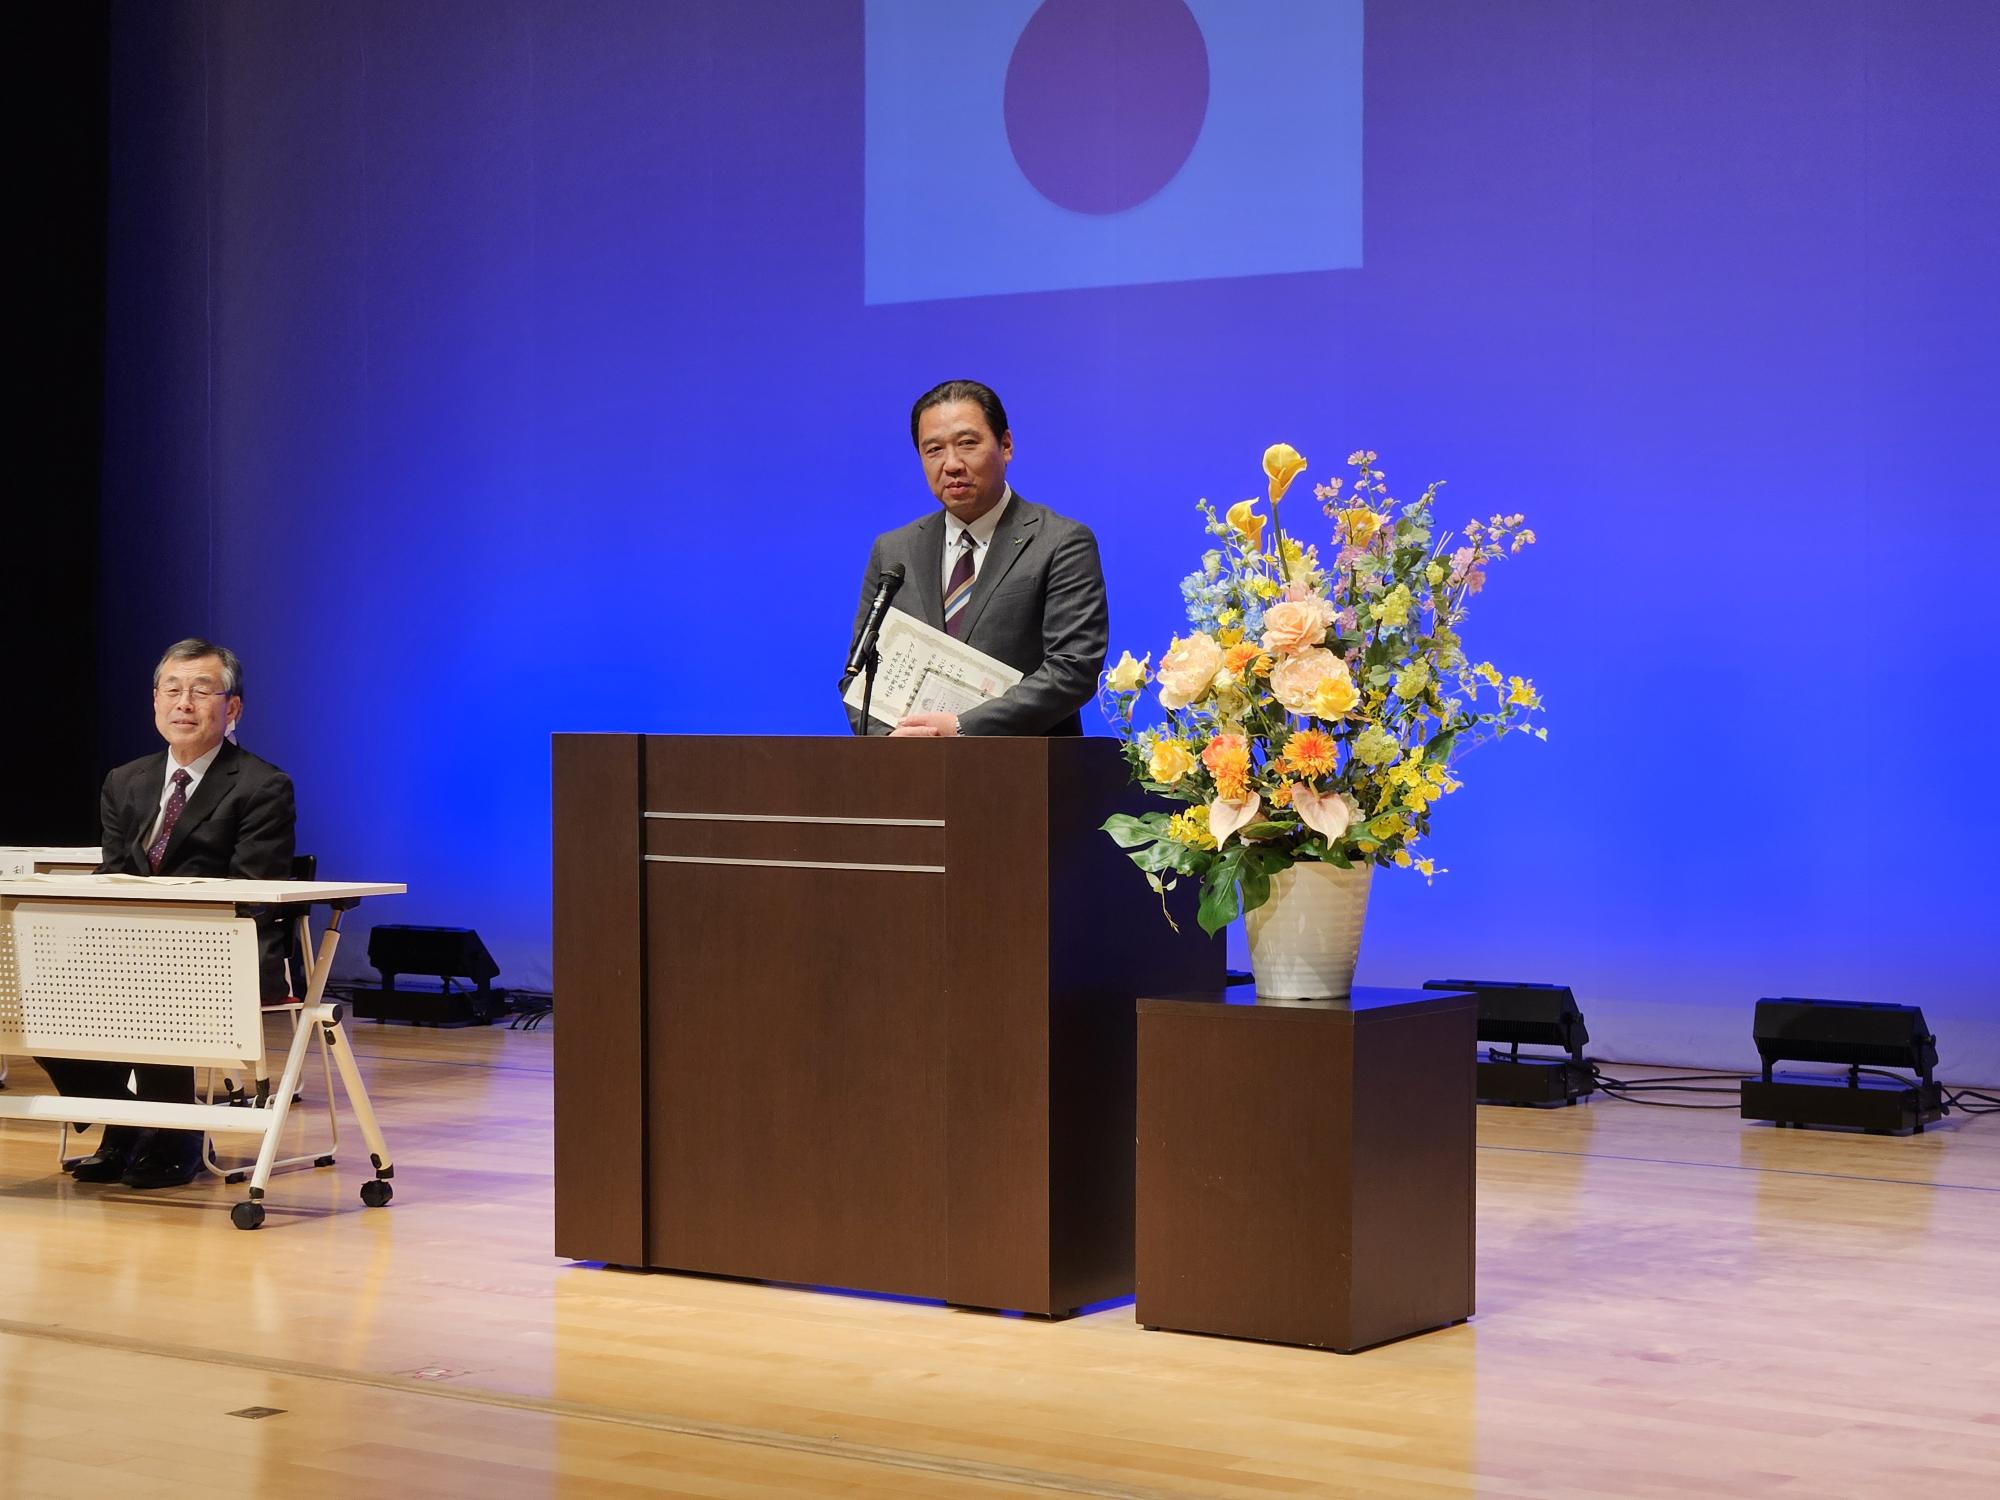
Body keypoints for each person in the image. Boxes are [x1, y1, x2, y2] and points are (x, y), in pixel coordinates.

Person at [41, 638, 296, 1189]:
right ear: (155, 701)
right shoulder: (125, 780)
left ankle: (170, 1136)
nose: (184, 703)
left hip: (223, 948)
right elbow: (113, 877)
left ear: (232, 708)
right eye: (172, 690)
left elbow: (252, 892)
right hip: (130, 945)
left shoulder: (262, 785)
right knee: (30, 991)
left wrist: (161, 935)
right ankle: (136, 1121)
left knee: (153, 976)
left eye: (202, 691)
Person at [844, 380, 1109, 736]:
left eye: (967, 443)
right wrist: (890, 739)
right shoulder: (894, 550)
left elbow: (1073, 668)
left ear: (1006, 445)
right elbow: (860, 671)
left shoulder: (1060, 542)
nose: (952, 464)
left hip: (1027, 763)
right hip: (911, 763)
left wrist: (962, 727)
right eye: (934, 449)